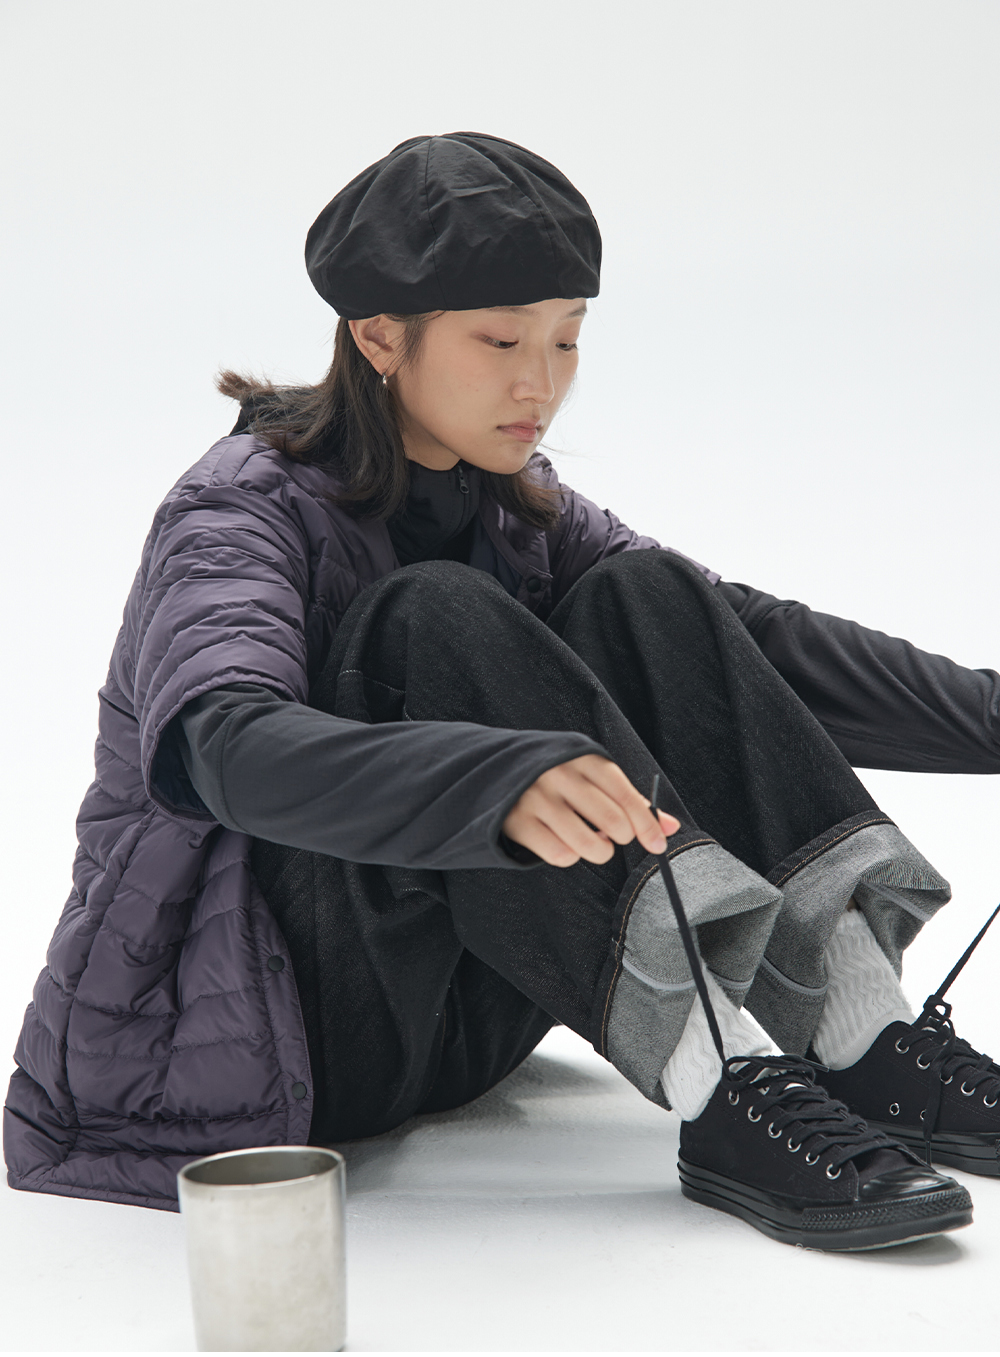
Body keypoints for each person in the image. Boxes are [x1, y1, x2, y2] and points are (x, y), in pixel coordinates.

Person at [6, 132, 999, 1250]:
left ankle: (865, 1041)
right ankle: (725, 1085)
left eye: (567, 338)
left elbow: (737, 646)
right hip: (270, 1036)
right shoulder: (241, 507)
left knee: (650, 596)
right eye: (501, 340)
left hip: (464, 1022)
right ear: (379, 335)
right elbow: (223, 745)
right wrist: (491, 779)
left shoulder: (515, 500)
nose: (541, 383)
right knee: (434, 614)